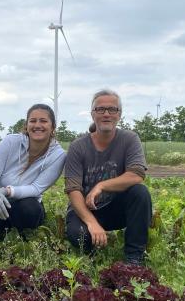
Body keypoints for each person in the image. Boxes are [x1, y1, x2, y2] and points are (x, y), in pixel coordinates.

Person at [64, 89, 152, 265]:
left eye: (112, 109)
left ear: (119, 115)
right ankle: (93, 248)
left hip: (115, 207)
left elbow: (136, 174)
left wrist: (101, 186)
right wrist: (91, 223)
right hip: (85, 209)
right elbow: (73, 190)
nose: (106, 114)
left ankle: (134, 257)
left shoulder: (130, 139)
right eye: (100, 109)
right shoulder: (78, 146)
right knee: (80, 237)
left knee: (140, 193)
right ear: (92, 114)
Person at [0, 104, 66, 240]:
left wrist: (7, 191)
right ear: (26, 125)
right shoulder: (10, 142)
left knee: (30, 209)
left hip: (25, 202)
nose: (37, 125)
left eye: (43, 121)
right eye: (33, 121)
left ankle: (20, 239)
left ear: (52, 127)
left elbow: (36, 188)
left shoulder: (58, 155)